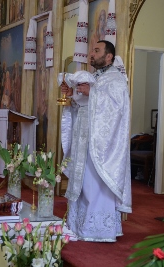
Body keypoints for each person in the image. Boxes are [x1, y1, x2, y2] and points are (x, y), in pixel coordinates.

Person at [60, 40, 132, 242]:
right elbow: (84, 106)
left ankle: (98, 229)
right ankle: (78, 225)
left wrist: (92, 93)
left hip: (101, 145)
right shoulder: (96, 77)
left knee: (95, 182)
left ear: (109, 56)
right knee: (83, 182)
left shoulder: (116, 79)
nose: (92, 54)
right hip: (84, 138)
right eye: (92, 50)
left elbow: (117, 109)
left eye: (97, 50)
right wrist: (73, 96)